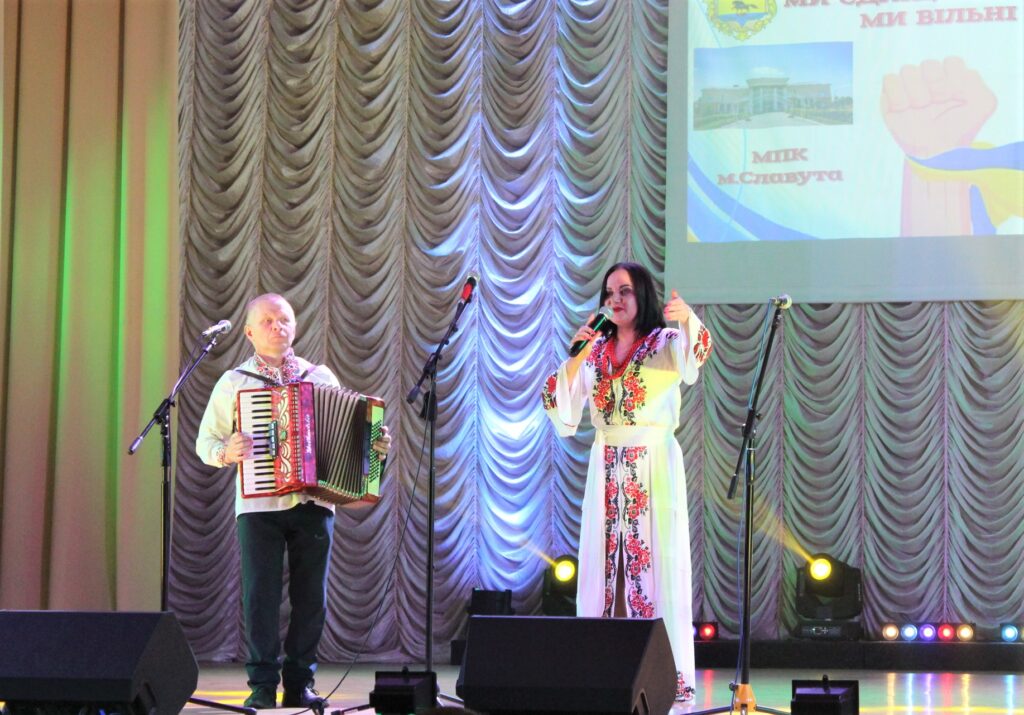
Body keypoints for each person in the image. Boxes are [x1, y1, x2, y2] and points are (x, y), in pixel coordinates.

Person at [196, 293, 391, 710]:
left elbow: (349, 437)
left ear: (295, 327)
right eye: (267, 321)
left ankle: (300, 683)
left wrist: (374, 446)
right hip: (258, 506)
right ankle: (262, 685)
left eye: (284, 319)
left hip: (313, 501)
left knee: (312, 598)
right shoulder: (235, 382)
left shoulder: (319, 377)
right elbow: (205, 443)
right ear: (249, 332)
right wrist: (227, 451)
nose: (277, 327)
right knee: (260, 598)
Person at [540, 262, 713, 702]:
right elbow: (561, 409)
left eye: (625, 291)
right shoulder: (595, 352)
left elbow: (694, 359)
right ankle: (607, 670)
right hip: (606, 466)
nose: (614, 300)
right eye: (609, 292)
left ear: (643, 297)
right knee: (607, 570)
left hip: (653, 466)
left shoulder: (662, 343)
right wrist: (576, 357)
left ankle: (659, 678)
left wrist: (688, 319)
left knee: (652, 566)